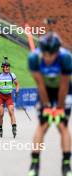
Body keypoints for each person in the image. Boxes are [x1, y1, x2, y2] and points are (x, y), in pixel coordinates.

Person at [27, 32, 72, 176]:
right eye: (45, 54)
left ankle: (66, 164)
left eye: (51, 55)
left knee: (62, 125)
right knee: (43, 125)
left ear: (57, 52)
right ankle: (35, 163)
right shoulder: (34, 58)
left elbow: (64, 85)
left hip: (63, 90)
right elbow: (40, 84)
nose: (48, 58)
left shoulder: (66, 58)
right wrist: (46, 106)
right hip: (45, 89)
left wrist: (59, 108)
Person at [0, 57, 19, 138]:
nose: (7, 68)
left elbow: (17, 84)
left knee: (11, 112)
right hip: (1, 96)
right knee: (1, 114)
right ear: (2, 68)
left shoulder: (12, 75)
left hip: (9, 96)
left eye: (8, 67)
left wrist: (17, 90)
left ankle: (14, 127)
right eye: (5, 67)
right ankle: (0, 128)